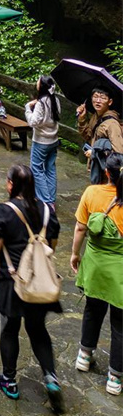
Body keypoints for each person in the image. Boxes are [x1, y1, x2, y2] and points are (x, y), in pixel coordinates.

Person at [0, 163, 63, 411]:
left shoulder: (4, 211)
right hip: (40, 283)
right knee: (38, 330)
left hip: (13, 281)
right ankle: (51, 377)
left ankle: (10, 380)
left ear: (11, 185)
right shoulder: (47, 211)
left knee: (10, 329)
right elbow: (52, 245)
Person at [70, 151, 123, 396]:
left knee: (92, 310)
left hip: (95, 265)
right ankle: (114, 377)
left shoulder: (91, 193)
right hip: (119, 271)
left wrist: (75, 254)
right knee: (120, 324)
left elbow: (80, 228)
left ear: (106, 172)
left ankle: (84, 354)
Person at [25, 75, 61, 205]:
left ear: (42, 86)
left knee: (37, 169)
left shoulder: (41, 103)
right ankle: (51, 199)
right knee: (50, 169)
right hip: (53, 140)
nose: (36, 83)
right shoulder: (55, 99)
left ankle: (46, 200)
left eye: (38, 81)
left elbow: (33, 122)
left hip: (41, 141)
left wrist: (28, 108)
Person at [77, 88, 123, 180]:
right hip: (97, 168)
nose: (98, 101)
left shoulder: (112, 124)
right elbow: (88, 136)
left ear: (110, 102)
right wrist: (82, 119)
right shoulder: (95, 116)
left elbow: (118, 154)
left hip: (107, 173)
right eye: (95, 97)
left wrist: (94, 153)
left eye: (103, 98)